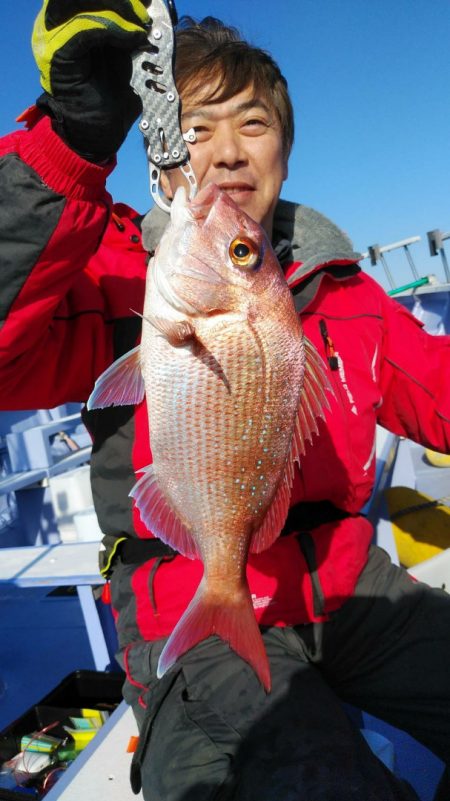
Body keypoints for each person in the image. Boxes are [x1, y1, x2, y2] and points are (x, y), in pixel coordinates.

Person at [1, 2, 450, 800]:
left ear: (285, 147)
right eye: (197, 127)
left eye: (253, 123)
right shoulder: (105, 279)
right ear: (161, 149)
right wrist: (66, 146)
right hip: (189, 595)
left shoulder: (345, 291)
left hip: (350, 588)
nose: (230, 152)